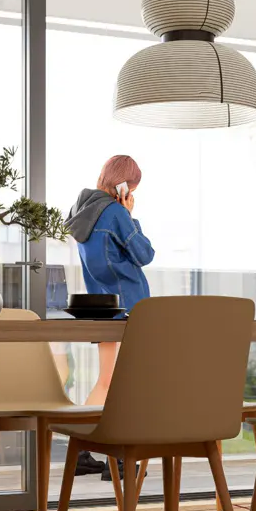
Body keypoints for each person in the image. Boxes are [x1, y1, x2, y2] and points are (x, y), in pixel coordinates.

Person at [65, 155, 154, 476]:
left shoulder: (82, 210)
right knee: (128, 384)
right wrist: (130, 216)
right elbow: (144, 254)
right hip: (131, 306)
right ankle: (118, 460)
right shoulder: (116, 212)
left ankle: (82, 452)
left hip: (102, 305)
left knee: (106, 380)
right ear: (124, 185)